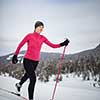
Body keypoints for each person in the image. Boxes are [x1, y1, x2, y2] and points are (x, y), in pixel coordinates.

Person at [12, 21, 69, 100]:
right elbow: (20, 45)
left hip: (35, 61)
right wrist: (15, 55)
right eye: (39, 27)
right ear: (35, 27)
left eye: (42, 28)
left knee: (27, 75)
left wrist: (62, 44)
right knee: (33, 79)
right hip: (27, 60)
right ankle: (31, 98)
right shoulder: (29, 35)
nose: (41, 29)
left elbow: (52, 45)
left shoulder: (43, 38)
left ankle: (19, 84)